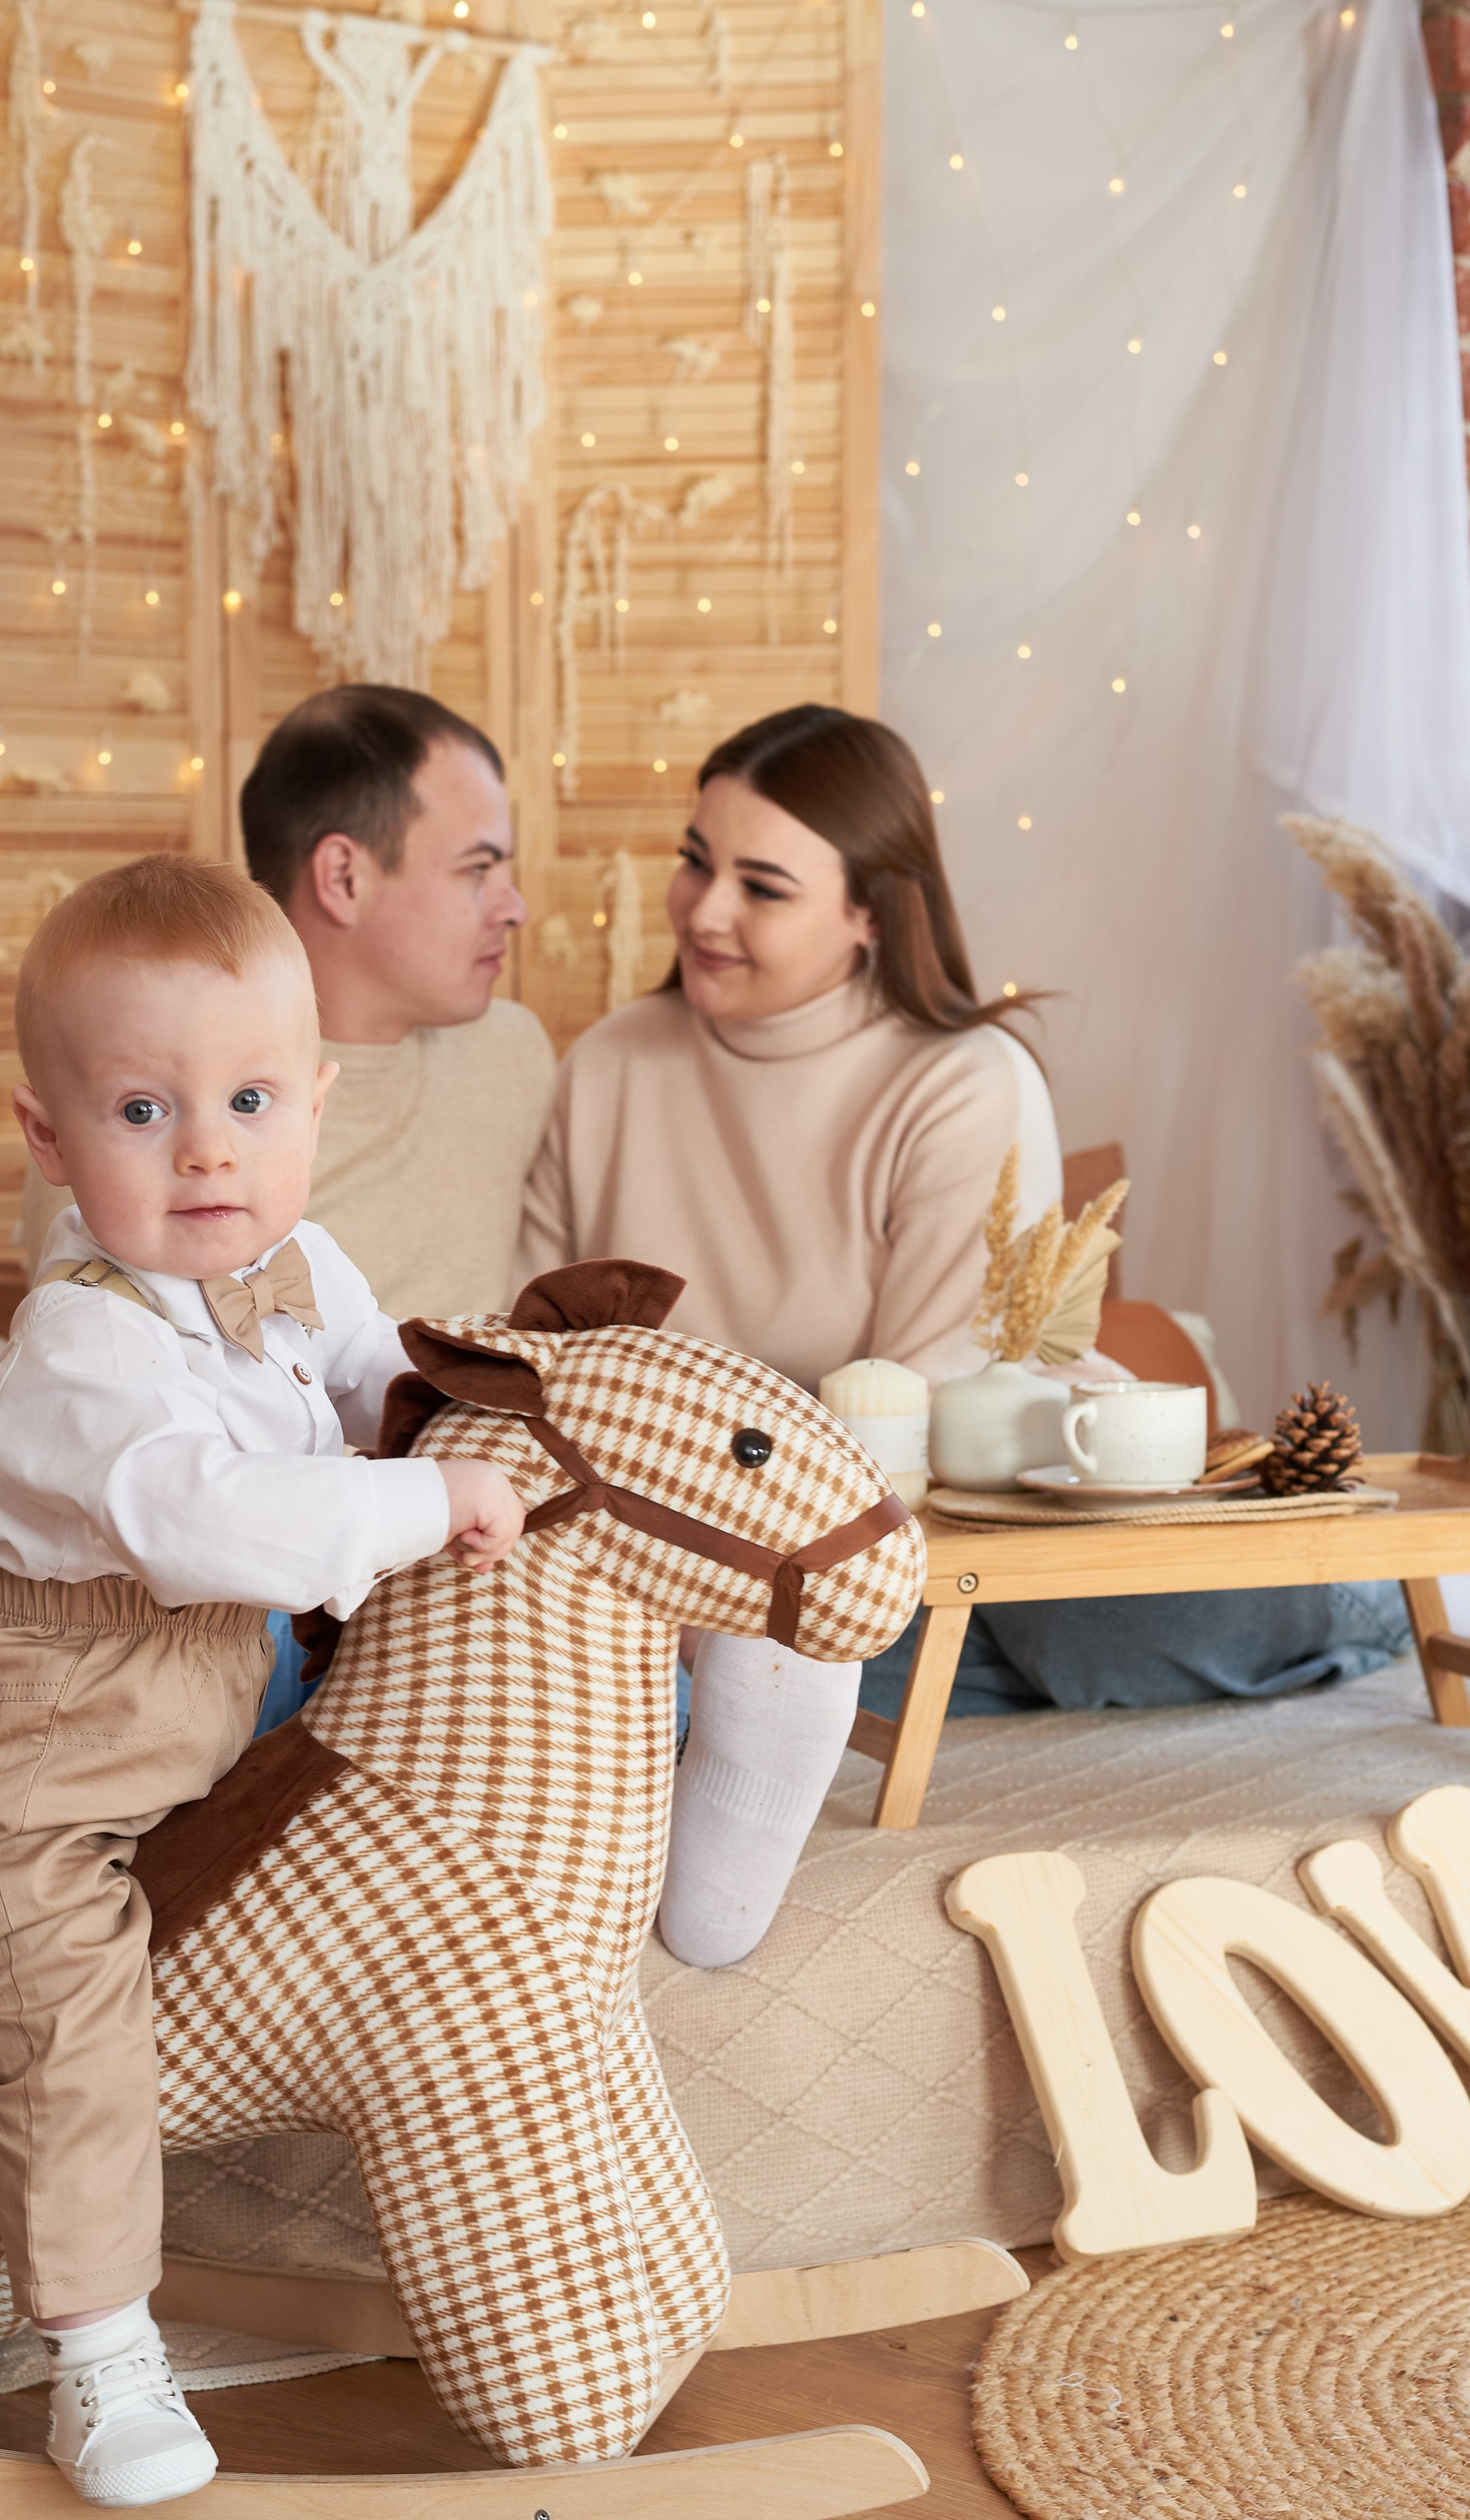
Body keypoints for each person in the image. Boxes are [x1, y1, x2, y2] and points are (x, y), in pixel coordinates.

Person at [517, 704, 1406, 1969]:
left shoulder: (961, 1077)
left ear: (871, 912)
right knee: (605, 1671)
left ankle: (1383, 1599)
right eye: (696, 858)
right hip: (682, 1558)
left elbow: (917, 1399)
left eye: (762, 884)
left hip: (893, 1529)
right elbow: (541, 1345)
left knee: (1111, 1620)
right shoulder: (608, 1065)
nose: (705, 909)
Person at [0, 855, 524, 2509]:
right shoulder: (86, 1347)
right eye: (143, 1112)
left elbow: (379, 1382)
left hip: (208, 1706)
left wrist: (487, 1418)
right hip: (22, 1746)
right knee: (71, 2004)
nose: (207, 1148)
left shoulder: (306, 1269)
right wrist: (416, 1505)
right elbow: (202, 1519)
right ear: (47, 1138)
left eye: (243, 1098)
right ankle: (99, 2355)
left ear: (315, 1098)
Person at [20, 685, 556, 1324]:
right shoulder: (117, 1117)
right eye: (477, 869)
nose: (515, 907)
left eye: (251, 1101)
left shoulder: (513, 1052)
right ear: (343, 879)